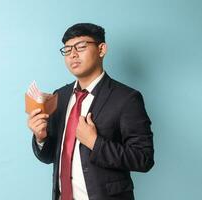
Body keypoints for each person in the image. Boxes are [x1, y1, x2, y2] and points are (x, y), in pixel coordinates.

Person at [27, 23, 154, 200]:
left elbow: (143, 158)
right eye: (67, 49)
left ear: (101, 49)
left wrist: (95, 143)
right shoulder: (60, 96)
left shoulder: (127, 98)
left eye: (81, 47)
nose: (73, 54)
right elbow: (49, 157)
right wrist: (41, 138)